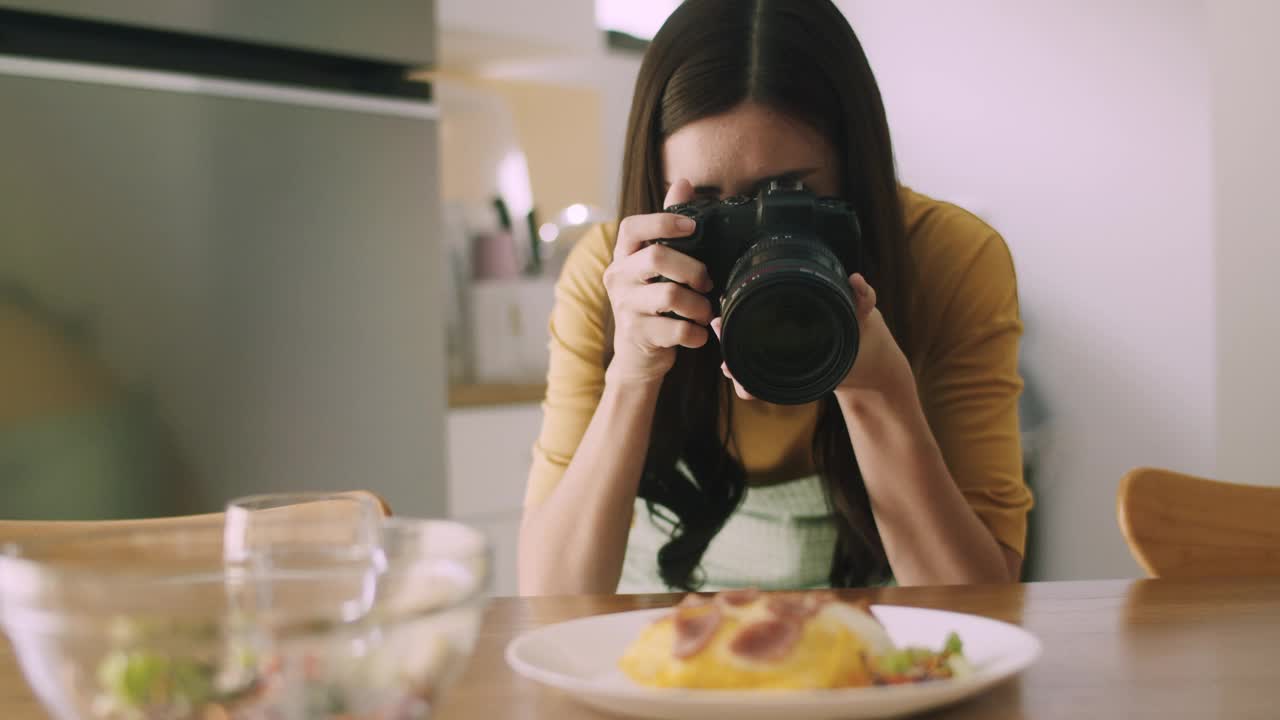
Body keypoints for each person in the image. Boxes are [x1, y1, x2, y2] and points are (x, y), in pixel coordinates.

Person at [518, 0, 1032, 595]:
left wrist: (876, 390)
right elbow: (550, 601)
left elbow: (982, 608)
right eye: (706, 206)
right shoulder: (615, 273)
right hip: (654, 644)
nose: (753, 243)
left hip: (876, 654)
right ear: (660, 190)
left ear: (853, 171)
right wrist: (632, 378)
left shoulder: (947, 259)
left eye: (786, 195)